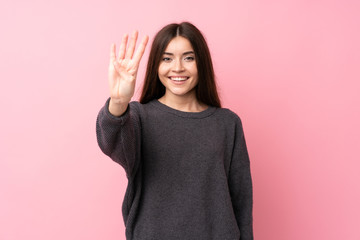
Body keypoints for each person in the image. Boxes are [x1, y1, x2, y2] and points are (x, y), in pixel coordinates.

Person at [96, 22, 253, 240]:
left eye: (188, 58)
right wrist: (118, 102)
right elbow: (110, 142)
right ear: (156, 65)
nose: (177, 67)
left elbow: (242, 201)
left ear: (202, 63)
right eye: (167, 58)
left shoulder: (228, 123)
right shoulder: (138, 117)